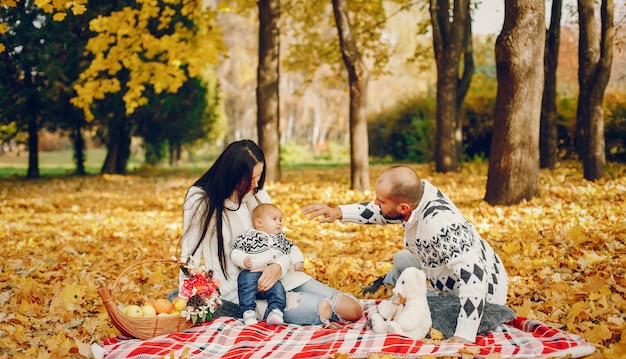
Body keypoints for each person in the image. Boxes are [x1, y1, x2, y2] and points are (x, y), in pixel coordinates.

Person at [303, 165, 509, 344]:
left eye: (380, 200)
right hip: (442, 276)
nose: (375, 203)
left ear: (403, 207)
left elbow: (474, 277)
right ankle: (398, 288)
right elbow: (380, 212)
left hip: (484, 294)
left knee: (417, 322)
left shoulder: (441, 224)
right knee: (403, 259)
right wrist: (338, 212)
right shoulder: (415, 200)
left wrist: (464, 334)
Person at [176, 139, 363, 327]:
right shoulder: (200, 199)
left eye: (259, 176)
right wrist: (184, 302)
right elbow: (188, 256)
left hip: (280, 276)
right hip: (244, 292)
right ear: (232, 174)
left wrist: (279, 267)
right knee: (320, 308)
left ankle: (292, 299)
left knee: (352, 309)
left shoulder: (257, 194)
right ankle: (272, 309)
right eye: (251, 178)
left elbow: (279, 238)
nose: (256, 183)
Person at [231, 203, 305, 326]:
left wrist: (298, 261)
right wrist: (243, 259)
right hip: (251, 272)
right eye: (274, 219)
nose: (279, 223)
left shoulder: (281, 239)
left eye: (280, 220)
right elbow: (235, 251)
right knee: (246, 285)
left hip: (272, 277)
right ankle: (248, 311)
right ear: (259, 223)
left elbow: (293, 249)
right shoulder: (249, 237)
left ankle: (275, 311)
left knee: (278, 290)